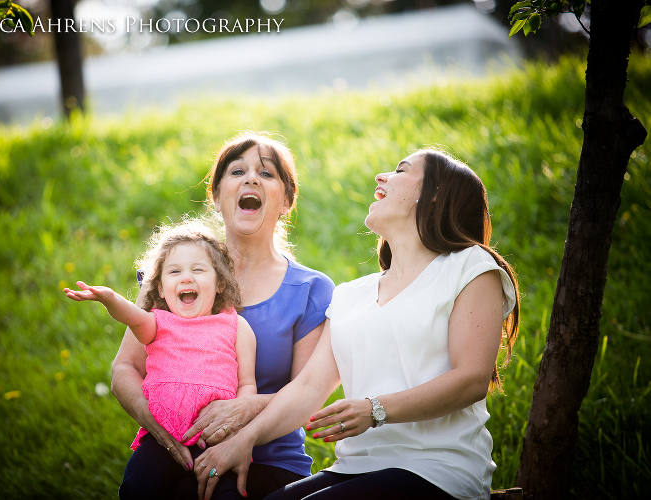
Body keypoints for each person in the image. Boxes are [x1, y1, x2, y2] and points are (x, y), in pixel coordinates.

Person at [193, 149, 521, 500]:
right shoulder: (352, 294)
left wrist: (374, 409)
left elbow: (471, 379)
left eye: (400, 170)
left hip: (438, 471)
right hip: (354, 467)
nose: (381, 177)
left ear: (436, 193)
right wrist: (244, 440)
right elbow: (307, 389)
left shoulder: (471, 267)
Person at [111, 133, 335, 499]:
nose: (250, 179)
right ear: (216, 197)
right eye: (237, 171)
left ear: (287, 201)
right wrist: (153, 422)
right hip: (175, 447)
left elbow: (307, 395)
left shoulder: (312, 289)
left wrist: (246, 408)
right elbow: (124, 369)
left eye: (266, 173)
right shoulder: (173, 274)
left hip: (269, 463)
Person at [64, 222, 258, 475]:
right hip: (161, 439)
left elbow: (247, 384)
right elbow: (133, 317)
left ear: (220, 283)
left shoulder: (235, 326)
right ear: (160, 288)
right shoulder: (157, 322)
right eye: (174, 272)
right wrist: (110, 298)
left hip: (214, 439)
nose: (186, 277)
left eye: (198, 269)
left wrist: (234, 431)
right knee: (138, 487)